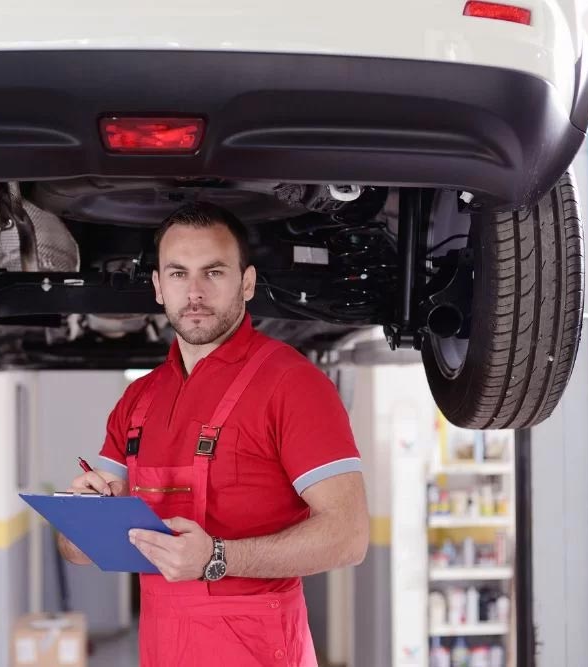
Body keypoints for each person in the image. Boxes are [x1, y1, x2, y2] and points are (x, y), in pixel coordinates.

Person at [58, 201, 369, 666]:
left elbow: (349, 537)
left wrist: (217, 557)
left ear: (246, 282)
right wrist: (83, 510)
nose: (196, 292)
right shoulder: (137, 400)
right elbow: (77, 552)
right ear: (159, 288)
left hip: (256, 648)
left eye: (214, 272)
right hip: (162, 648)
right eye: (179, 274)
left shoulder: (293, 383)